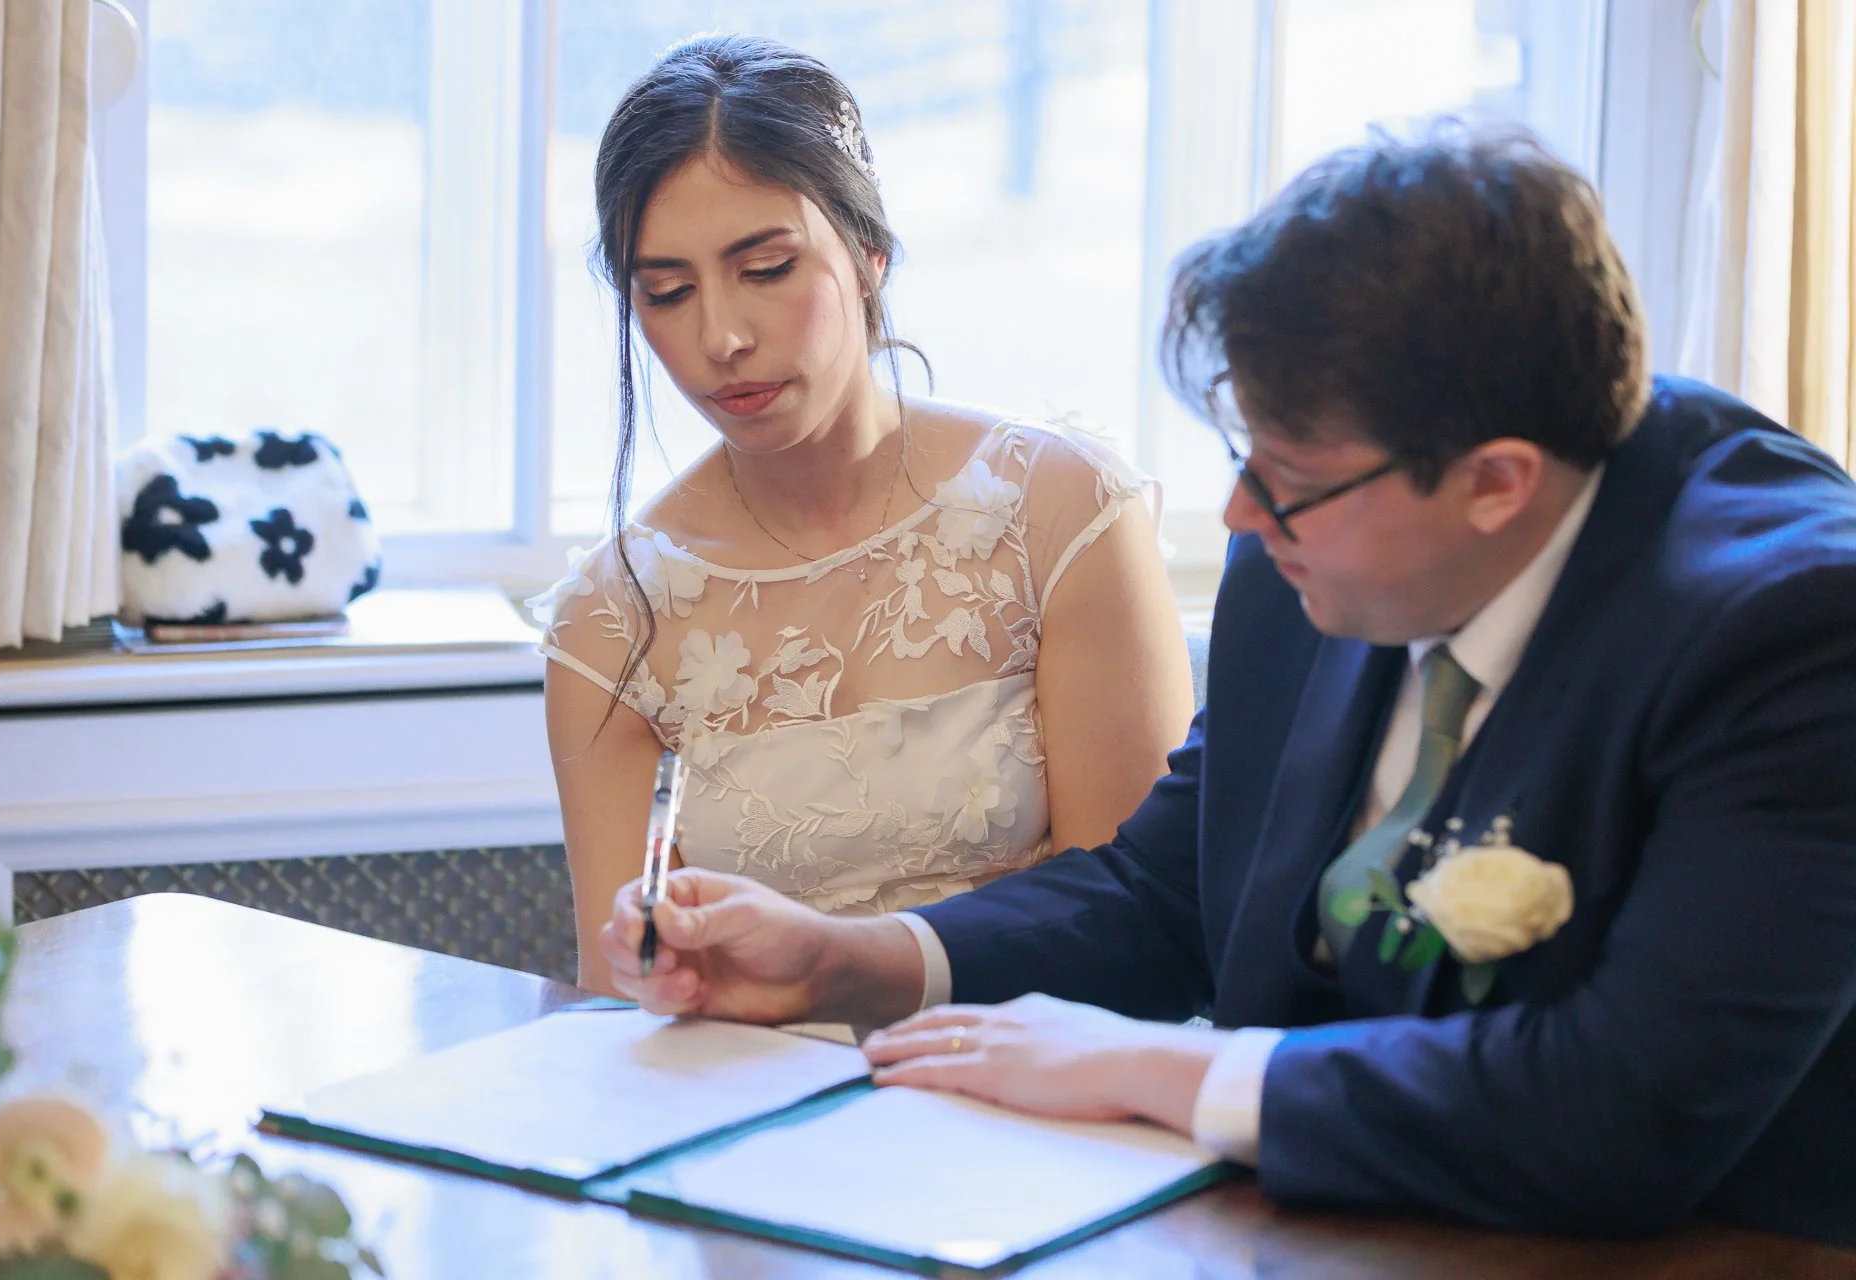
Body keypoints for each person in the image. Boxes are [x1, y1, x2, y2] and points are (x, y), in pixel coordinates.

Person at [596, 122, 1856, 1245]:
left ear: (1496, 482)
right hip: (1324, 1221)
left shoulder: (1794, 634)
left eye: (1290, 471)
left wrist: (1165, 1071)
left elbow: (1625, 1109)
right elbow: (1167, 891)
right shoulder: (1310, 556)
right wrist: (844, 959)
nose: (1241, 510)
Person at [532, 35, 1194, 993]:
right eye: (667, 293)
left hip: (1044, 1086)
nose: (720, 336)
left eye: (766, 269)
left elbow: (1140, 929)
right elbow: (620, 994)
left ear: (869, 252)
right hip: (749, 1108)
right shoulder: (611, 621)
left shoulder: (1060, 514)